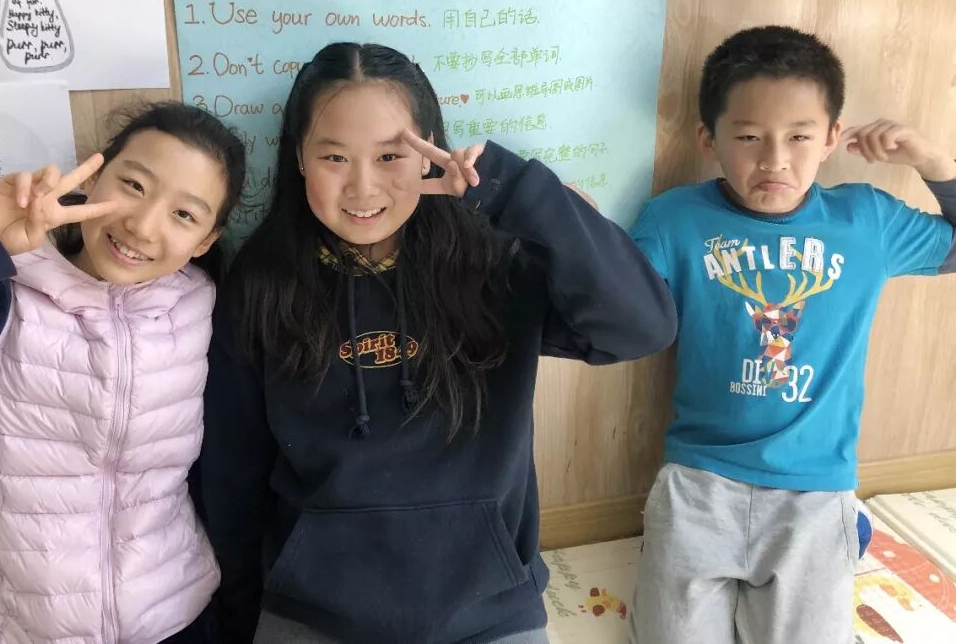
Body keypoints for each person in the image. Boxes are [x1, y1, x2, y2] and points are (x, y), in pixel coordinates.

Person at [196, 42, 677, 643]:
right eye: (334, 156)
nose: (363, 186)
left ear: (428, 149)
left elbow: (642, 328)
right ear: (298, 156)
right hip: (310, 612)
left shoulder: (490, 262)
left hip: (490, 612)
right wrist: (241, 616)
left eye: (390, 155)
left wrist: (516, 192)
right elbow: (232, 471)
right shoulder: (263, 282)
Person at [627, 25, 956, 644]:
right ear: (708, 139)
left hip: (815, 491)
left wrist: (933, 162)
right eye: (749, 137)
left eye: (799, 136)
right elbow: (616, 301)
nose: (774, 159)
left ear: (832, 137)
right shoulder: (674, 219)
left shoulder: (866, 220)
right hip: (701, 484)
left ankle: (847, 533)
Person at [0, 103, 246, 643]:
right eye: (134, 185)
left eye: (184, 215)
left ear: (207, 241)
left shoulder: (202, 308)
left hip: (174, 619)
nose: (142, 225)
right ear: (93, 179)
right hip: (10, 629)